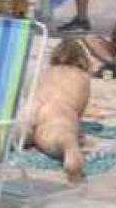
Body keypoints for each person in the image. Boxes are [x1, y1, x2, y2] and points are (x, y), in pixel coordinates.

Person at [30, 39, 92, 182]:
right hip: (57, 110)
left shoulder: (46, 71)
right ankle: (69, 148)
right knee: (62, 134)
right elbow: (78, 112)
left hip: (32, 109)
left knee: (15, 133)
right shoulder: (82, 77)